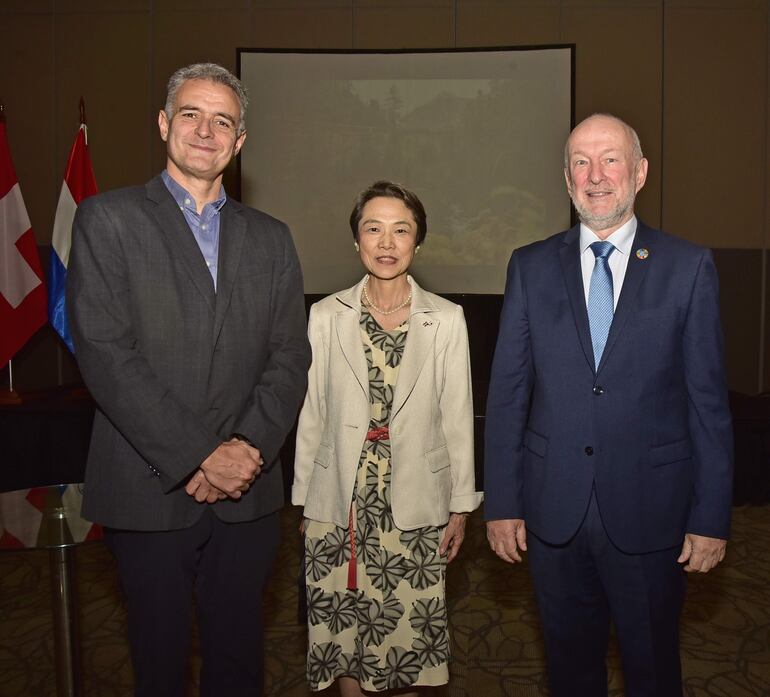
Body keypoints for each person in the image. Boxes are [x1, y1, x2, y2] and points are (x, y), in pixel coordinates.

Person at [67, 63, 311, 697]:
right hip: (148, 490)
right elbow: (105, 353)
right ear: (163, 124)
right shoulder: (107, 220)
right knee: (159, 660)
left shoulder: (273, 239)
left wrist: (247, 450)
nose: (206, 130)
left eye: (222, 120)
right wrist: (203, 454)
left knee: (239, 659)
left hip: (249, 495)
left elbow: (290, 357)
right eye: (192, 115)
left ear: (240, 141)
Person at [484, 113, 733, 697]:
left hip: (653, 512)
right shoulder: (529, 265)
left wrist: (711, 514)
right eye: (580, 161)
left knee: (651, 671)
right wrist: (502, 502)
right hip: (552, 513)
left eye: (611, 159)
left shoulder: (687, 266)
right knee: (569, 672)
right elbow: (508, 394)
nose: (596, 176)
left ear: (640, 172)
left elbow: (708, 404)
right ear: (566, 178)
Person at [292, 181, 482, 695]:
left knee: (408, 644)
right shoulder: (326, 316)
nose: (386, 241)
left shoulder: (446, 319)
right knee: (345, 633)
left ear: (418, 242)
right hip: (340, 503)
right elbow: (313, 413)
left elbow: (457, 417)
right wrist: (306, 502)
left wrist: (461, 506)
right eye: (372, 228)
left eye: (401, 230)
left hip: (416, 501)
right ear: (356, 241)